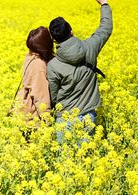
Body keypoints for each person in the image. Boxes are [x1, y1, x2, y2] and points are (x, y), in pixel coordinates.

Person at [47, 0, 113, 133]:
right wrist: (104, 4)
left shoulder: (53, 65)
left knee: (66, 153)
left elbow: (54, 97)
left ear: (53, 39)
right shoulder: (90, 47)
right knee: (87, 152)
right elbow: (105, 28)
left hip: (65, 119)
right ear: (71, 31)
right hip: (89, 115)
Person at [11, 26, 54, 123]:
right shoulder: (38, 65)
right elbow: (40, 95)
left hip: (23, 113)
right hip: (32, 117)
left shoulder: (29, 57)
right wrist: (47, 120)